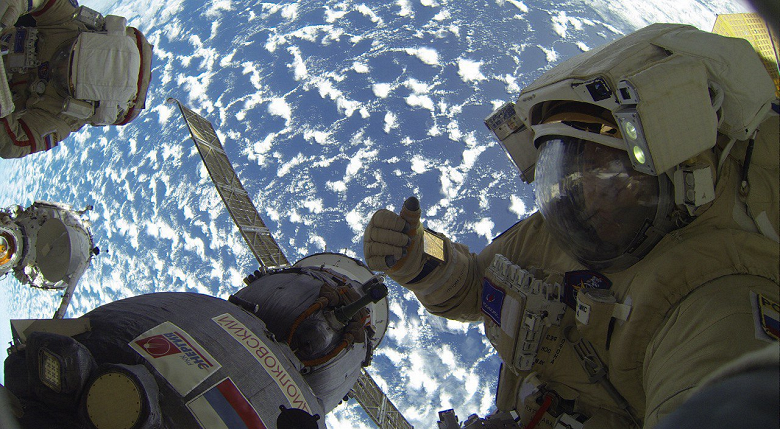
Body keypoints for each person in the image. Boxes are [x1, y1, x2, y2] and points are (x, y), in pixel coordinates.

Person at [364, 23, 779, 428]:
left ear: (685, 175)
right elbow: (475, 282)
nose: (588, 195)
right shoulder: (565, 227)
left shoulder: (719, 300)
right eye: (574, 166)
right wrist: (420, 257)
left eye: (611, 170)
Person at [0, 0, 152, 159]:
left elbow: (12, 145)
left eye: (67, 79)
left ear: (82, 102)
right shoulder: (71, 25)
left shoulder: (62, 118)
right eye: (67, 54)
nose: (57, 67)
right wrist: (13, 6)